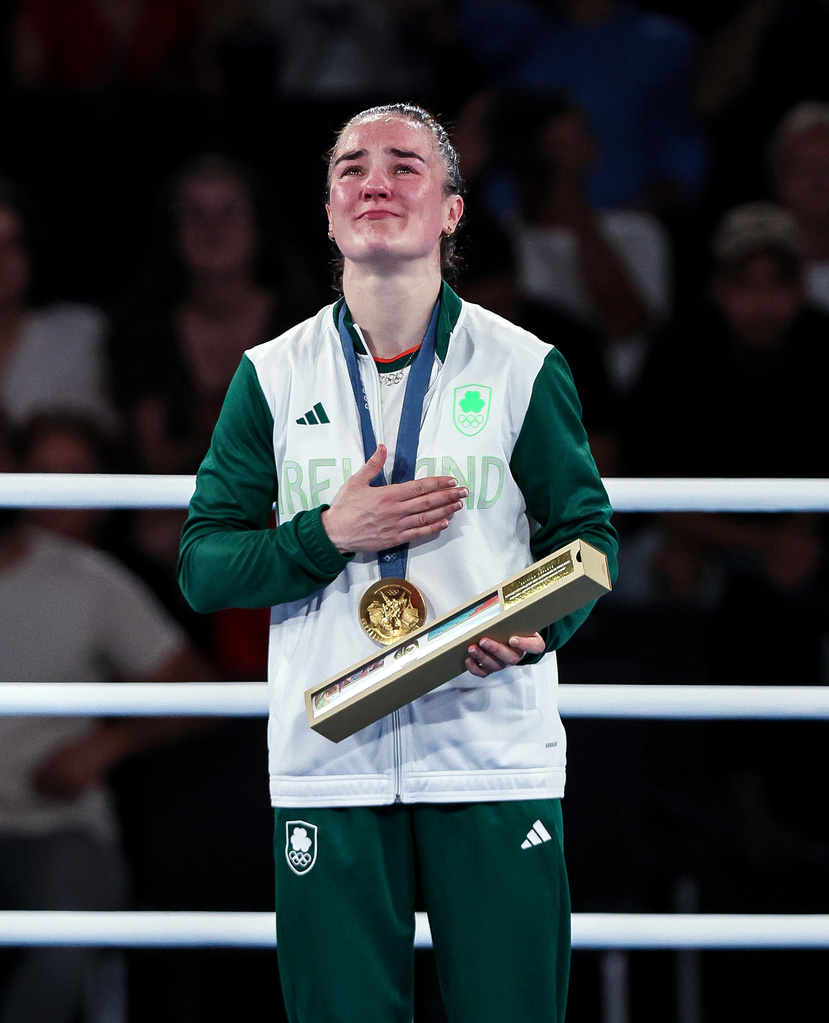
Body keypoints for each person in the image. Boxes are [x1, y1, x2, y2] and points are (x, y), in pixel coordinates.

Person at [177, 101, 617, 1023]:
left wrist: (541, 626)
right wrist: (323, 535)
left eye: (404, 165)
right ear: (330, 213)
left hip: (490, 746)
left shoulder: (521, 366)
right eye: (351, 168)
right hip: (328, 752)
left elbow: (585, 535)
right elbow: (206, 567)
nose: (374, 180)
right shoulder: (271, 374)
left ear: (451, 210)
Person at [0, 412, 212, 1023]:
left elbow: (197, 691)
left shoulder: (85, 578)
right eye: (46, 473)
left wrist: (107, 744)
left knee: (69, 928)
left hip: (55, 823)